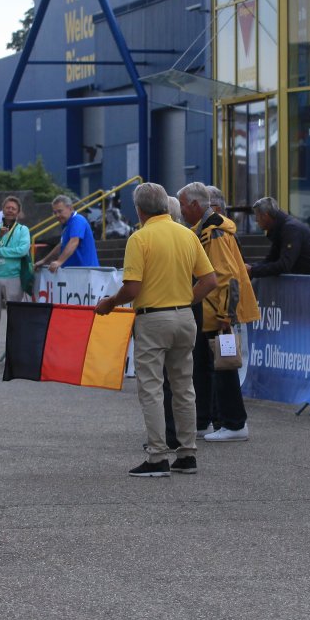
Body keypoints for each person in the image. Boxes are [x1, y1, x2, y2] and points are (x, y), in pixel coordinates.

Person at [96, 182, 217, 478]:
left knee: (151, 388)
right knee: (184, 387)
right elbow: (210, 280)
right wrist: (186, 300)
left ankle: (157, 455)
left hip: (152, 319)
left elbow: (132, 288)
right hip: (184, 316)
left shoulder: (140, 238)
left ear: (139, 210)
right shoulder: (187, 234)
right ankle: (187, 454)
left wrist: (110, 303)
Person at [174, 182, 259, 442]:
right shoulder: (203, 231)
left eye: (183, 205)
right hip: (206, 312)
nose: (181, 211)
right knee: (203, 368)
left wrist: (225, 316)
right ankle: (205, 421)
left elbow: (227, 277)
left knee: (223, 369)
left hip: (216, 314)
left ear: (195, 205)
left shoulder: (215, 233)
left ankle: (233, 423)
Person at [0, 195, 30, 368]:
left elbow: (22, 250)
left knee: (14, 317)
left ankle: (13, 352)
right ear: (3, 210)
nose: (10, 210)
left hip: (13, 277)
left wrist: (1, 251)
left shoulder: (23, 230)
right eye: (7, 207)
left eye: (13, 208)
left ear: (18, 212)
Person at [37, 194, 99, 272]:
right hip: (75, 272)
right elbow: (61, 245)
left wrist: (59, 262)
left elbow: (74, 242)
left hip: (86, 272)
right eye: (55, 212)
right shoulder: (66, 224)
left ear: (70, 208)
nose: (57, 215)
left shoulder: (77, 220)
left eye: (60, 211)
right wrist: (44, 260)